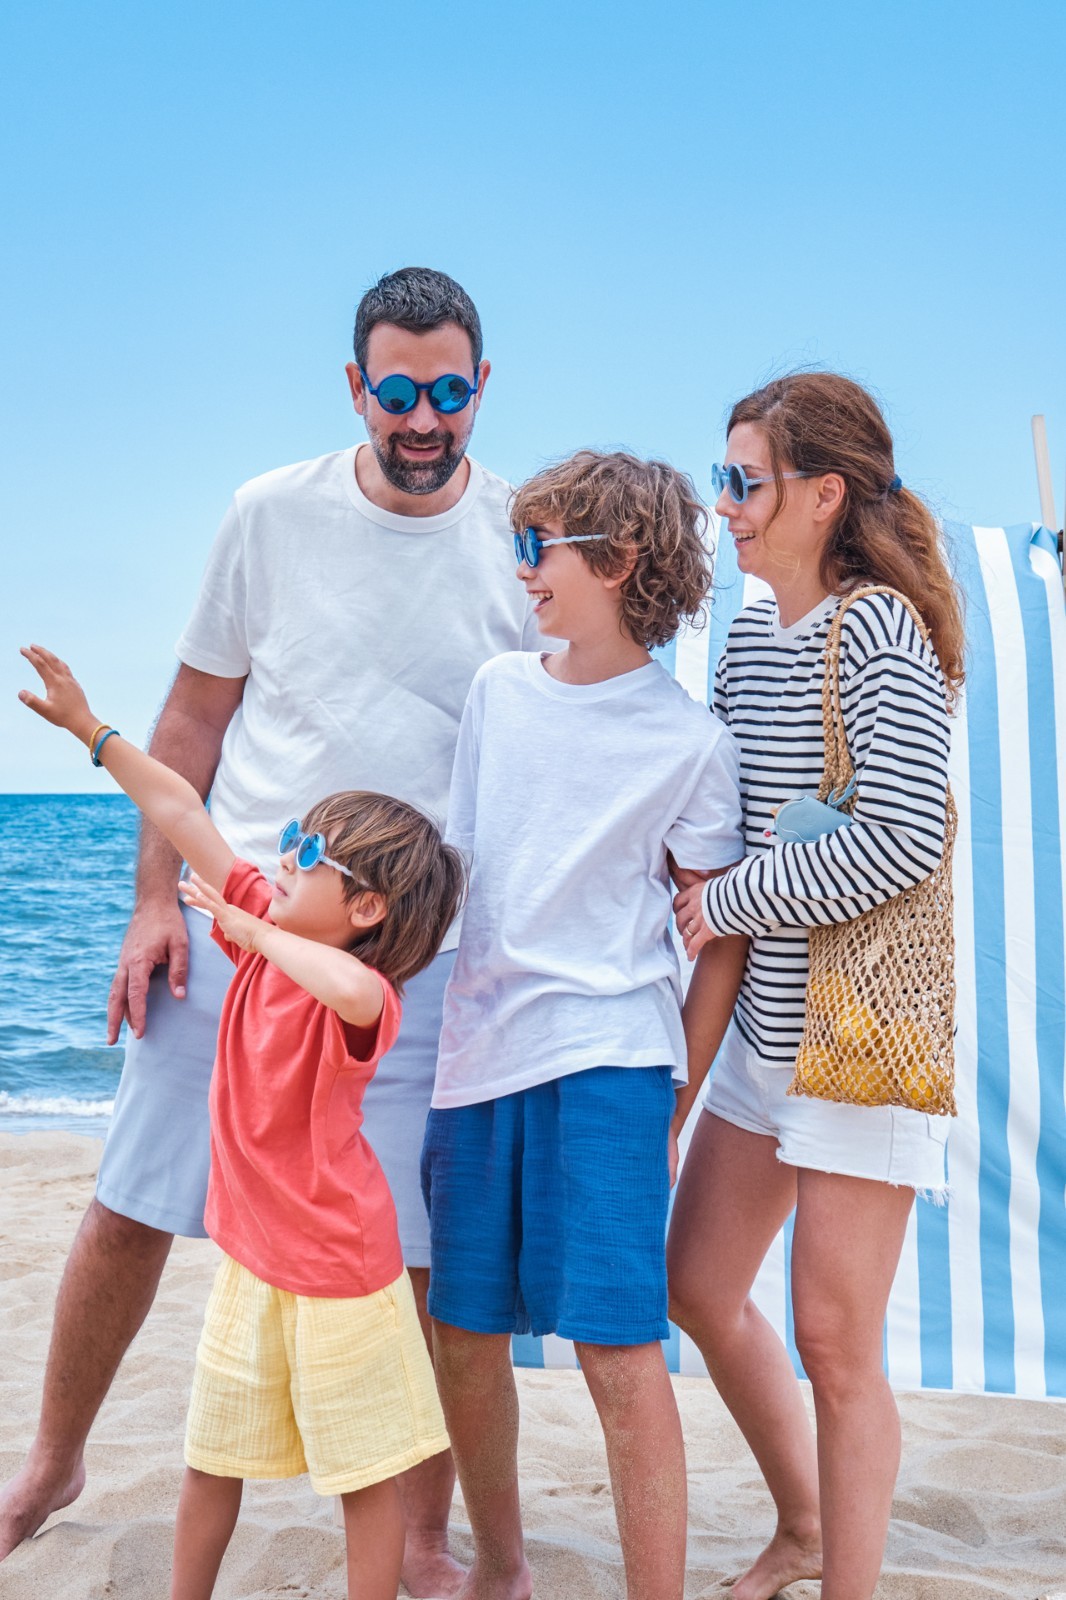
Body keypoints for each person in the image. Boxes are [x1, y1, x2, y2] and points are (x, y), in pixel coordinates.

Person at [0, 267, 542, 1598]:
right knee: (130, 1204)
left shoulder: (523, 533)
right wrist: (151, 903)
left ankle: (421, 1536)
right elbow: (193, 721)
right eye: (398, 392)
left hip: (416, 960)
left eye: (450, 391)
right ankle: (53, 1463)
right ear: (356, 388)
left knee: (411, 1256)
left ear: (482, 387)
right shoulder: (268, 513)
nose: (425, 419)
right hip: (243, 920)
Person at [18, 644, 465, 1600]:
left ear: (366, 906)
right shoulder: (267, 924)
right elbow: (183, 810)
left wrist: (257, 930)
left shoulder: (360, 996)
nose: (282, 857)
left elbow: (352, 987)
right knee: (210, 1455)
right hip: (254, 1262)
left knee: (363, 1476)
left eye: (307, 853)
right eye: (290, 837)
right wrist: (93, 732)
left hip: (343, 1275)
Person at [422, 451, 748, 1600]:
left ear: (618, 560)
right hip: (476, 1053)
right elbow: (462, 870)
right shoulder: (496, 691)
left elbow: (719, 935)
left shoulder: (691, 743)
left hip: (613, 1061)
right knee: (463, 1334)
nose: (522, 570)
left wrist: (678, 1098)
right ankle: (500, 1570)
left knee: (616, 1350)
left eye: (538, 546)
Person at [667, 372, 965, 1600]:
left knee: (837, 1343)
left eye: (746, 481)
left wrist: (728, 898)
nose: (724, 504)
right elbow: (724, 827)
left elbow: (902, 840)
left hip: (862, 1042)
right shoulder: (746, 636)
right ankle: (800, 1525)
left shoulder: (881, 629)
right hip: (765, 1037)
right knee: (696, 1284)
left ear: (824, 493)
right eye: (722, 478)